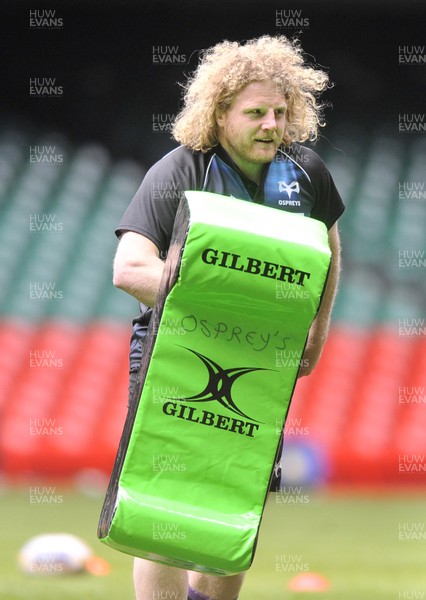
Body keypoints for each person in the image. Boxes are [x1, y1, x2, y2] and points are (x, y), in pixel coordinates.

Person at [113, 35, 344, 600]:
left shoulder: (306, 172)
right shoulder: (178, 170)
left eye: (281, 112)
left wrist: (317, 330)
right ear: (218, 113)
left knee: (237, 495)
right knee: (163, 496)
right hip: (174, 354)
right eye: (256, 112)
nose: (272, 124)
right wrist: (216, 294)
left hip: (261, 362)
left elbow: (332, 248)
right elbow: (129, 269)